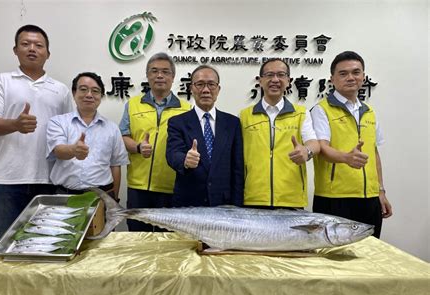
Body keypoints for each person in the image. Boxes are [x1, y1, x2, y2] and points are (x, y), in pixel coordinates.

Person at [0, 25, 73, 243]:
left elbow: (69, 131)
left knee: (45, 245)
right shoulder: (1, 81)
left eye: (38, 45)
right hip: (9, 180)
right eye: (25, 44)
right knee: (6, 245)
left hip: (50, 180)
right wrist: (15, 124)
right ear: (15, 50)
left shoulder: (60, 90)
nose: (32, 49)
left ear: (47, 53)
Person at [310, 51, 392, 238]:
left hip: (370, 198)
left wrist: (380, 191)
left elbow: (374, 153)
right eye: (343, 73)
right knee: (333, 260)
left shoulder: (369, 111)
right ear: (332, 79)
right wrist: (346, 158)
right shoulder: (321, 110)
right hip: (334, 198)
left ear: (363, 76)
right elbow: (321, 148)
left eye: (356, 72)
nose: (350, 77)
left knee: (369, 255)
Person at [119, 52, 190, 231]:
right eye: (154, 71)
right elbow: (123, 136)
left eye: (165, 72)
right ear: (148, 75)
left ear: (173, 77)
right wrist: (137, 146)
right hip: (138, 185)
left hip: (171, 186)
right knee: (137, 234)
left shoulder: (186, 109)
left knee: (168, 239)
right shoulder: (133, 104)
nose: (159, 75)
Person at [240, 58, 319, 208]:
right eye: (269, 75)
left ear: (288, 81)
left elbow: (314, 143)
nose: (275, 79)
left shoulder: (301, 113)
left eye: (281, 75)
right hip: (253, 198)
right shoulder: (245, 116)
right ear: (260, 81)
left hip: (290, 198)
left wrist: (306, 151)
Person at [166, 65, 244, 207]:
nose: (206, 90)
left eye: (211, 85)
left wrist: (237, 206)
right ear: (191, 88)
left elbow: (237, 168)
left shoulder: (233, 123)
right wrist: (185, 160)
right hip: (188, 204)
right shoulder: (177, 122)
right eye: (200, 84)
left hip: (223, 204)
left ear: (218, 89)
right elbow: (172, 153)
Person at [46, 72, 129, 199]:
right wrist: (73, 150)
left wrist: (114, 200)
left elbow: (115, 165)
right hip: (65, 195)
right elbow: (58, 150)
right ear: (74, 93)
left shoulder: (112, 128)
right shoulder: (58, 122)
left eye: (95, 91)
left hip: (102, 196)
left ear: (101, 96)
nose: (89, 95)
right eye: (83, 89)